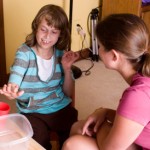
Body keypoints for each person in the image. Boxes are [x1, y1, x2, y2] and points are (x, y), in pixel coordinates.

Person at [62, 14, 150, 150]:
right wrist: (106, 112)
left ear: (114, 56)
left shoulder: (137, 95)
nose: (98, 50)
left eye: (100, 46)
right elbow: (138, 118)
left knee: (72, 145)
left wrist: (102, 124)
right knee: (77, 127)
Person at [0, 4, 79, 150]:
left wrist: (67, 69)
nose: (47, 37)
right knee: (38, 139)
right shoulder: (24, 53)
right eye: (43, 29)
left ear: (60, 34)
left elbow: (68, 93)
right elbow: (16, 74)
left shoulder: (61, 54)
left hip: (58, 106)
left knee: (74, 129)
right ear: (36, 27)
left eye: (54, 32)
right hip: (32, 111)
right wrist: (12, 88)